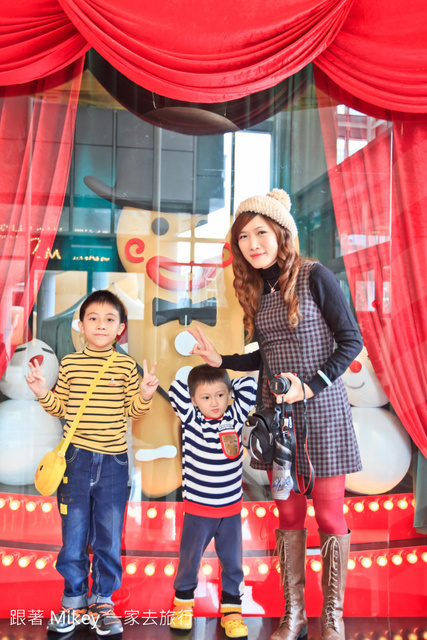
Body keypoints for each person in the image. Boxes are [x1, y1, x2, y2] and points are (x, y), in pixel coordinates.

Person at [188, 189, 364, 640]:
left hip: (322, 414)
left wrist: (311, 384)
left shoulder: (315, 276)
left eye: (261, 233)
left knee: (330, 518)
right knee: (288, 517)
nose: (252, 244)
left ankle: (333, 618)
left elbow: (351, 341)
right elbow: (265, 356)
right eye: (243, 237)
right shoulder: (257, 289)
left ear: (282, 233)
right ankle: (295, 616)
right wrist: (223, 360)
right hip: (276, 422)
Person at [26, 290, 159, 636]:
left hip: (114, 462)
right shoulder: (70, 364)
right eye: (94, 319)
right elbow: (61, 408)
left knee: (108, 537)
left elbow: (133, 412)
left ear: (120, 329)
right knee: (73, 535)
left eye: (109, 320)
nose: (101, 325)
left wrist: (144, 394)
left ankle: (102, 602)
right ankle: (73, 601)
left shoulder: (126, 366)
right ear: (81, 325)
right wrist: (42, 392)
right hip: (76, 460)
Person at [168, 364, 257, 639]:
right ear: (194, 400)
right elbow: (175, 389)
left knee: (233, 563)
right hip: (198, 510)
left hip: (230, 510)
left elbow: (250, 386)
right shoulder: (191, 418)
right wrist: (198, 395)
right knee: (189, 560)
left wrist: (227, 383)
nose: (215, 402)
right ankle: (183, 606)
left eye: (220, 395)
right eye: (206, 397)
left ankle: (232, 612)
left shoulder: (235, 416)